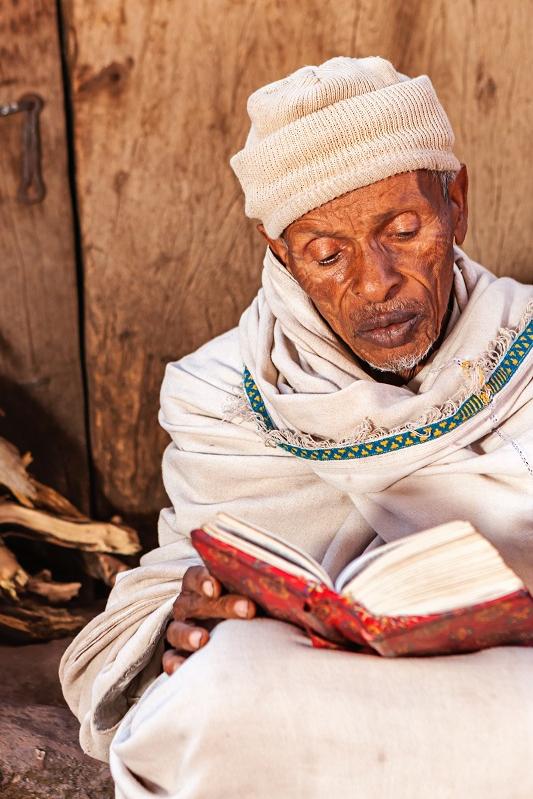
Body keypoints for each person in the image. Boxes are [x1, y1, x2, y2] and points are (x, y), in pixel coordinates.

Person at [60, 56, 533, 798]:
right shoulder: (219, 391)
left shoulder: (526, 344)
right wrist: (186, 616)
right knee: (228, 686)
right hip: (317, 676)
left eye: (404, 229)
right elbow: (178, 577)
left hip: (514, 669)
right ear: (277, 250)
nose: (374, 281)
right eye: (326, 254)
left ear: (457, 204)